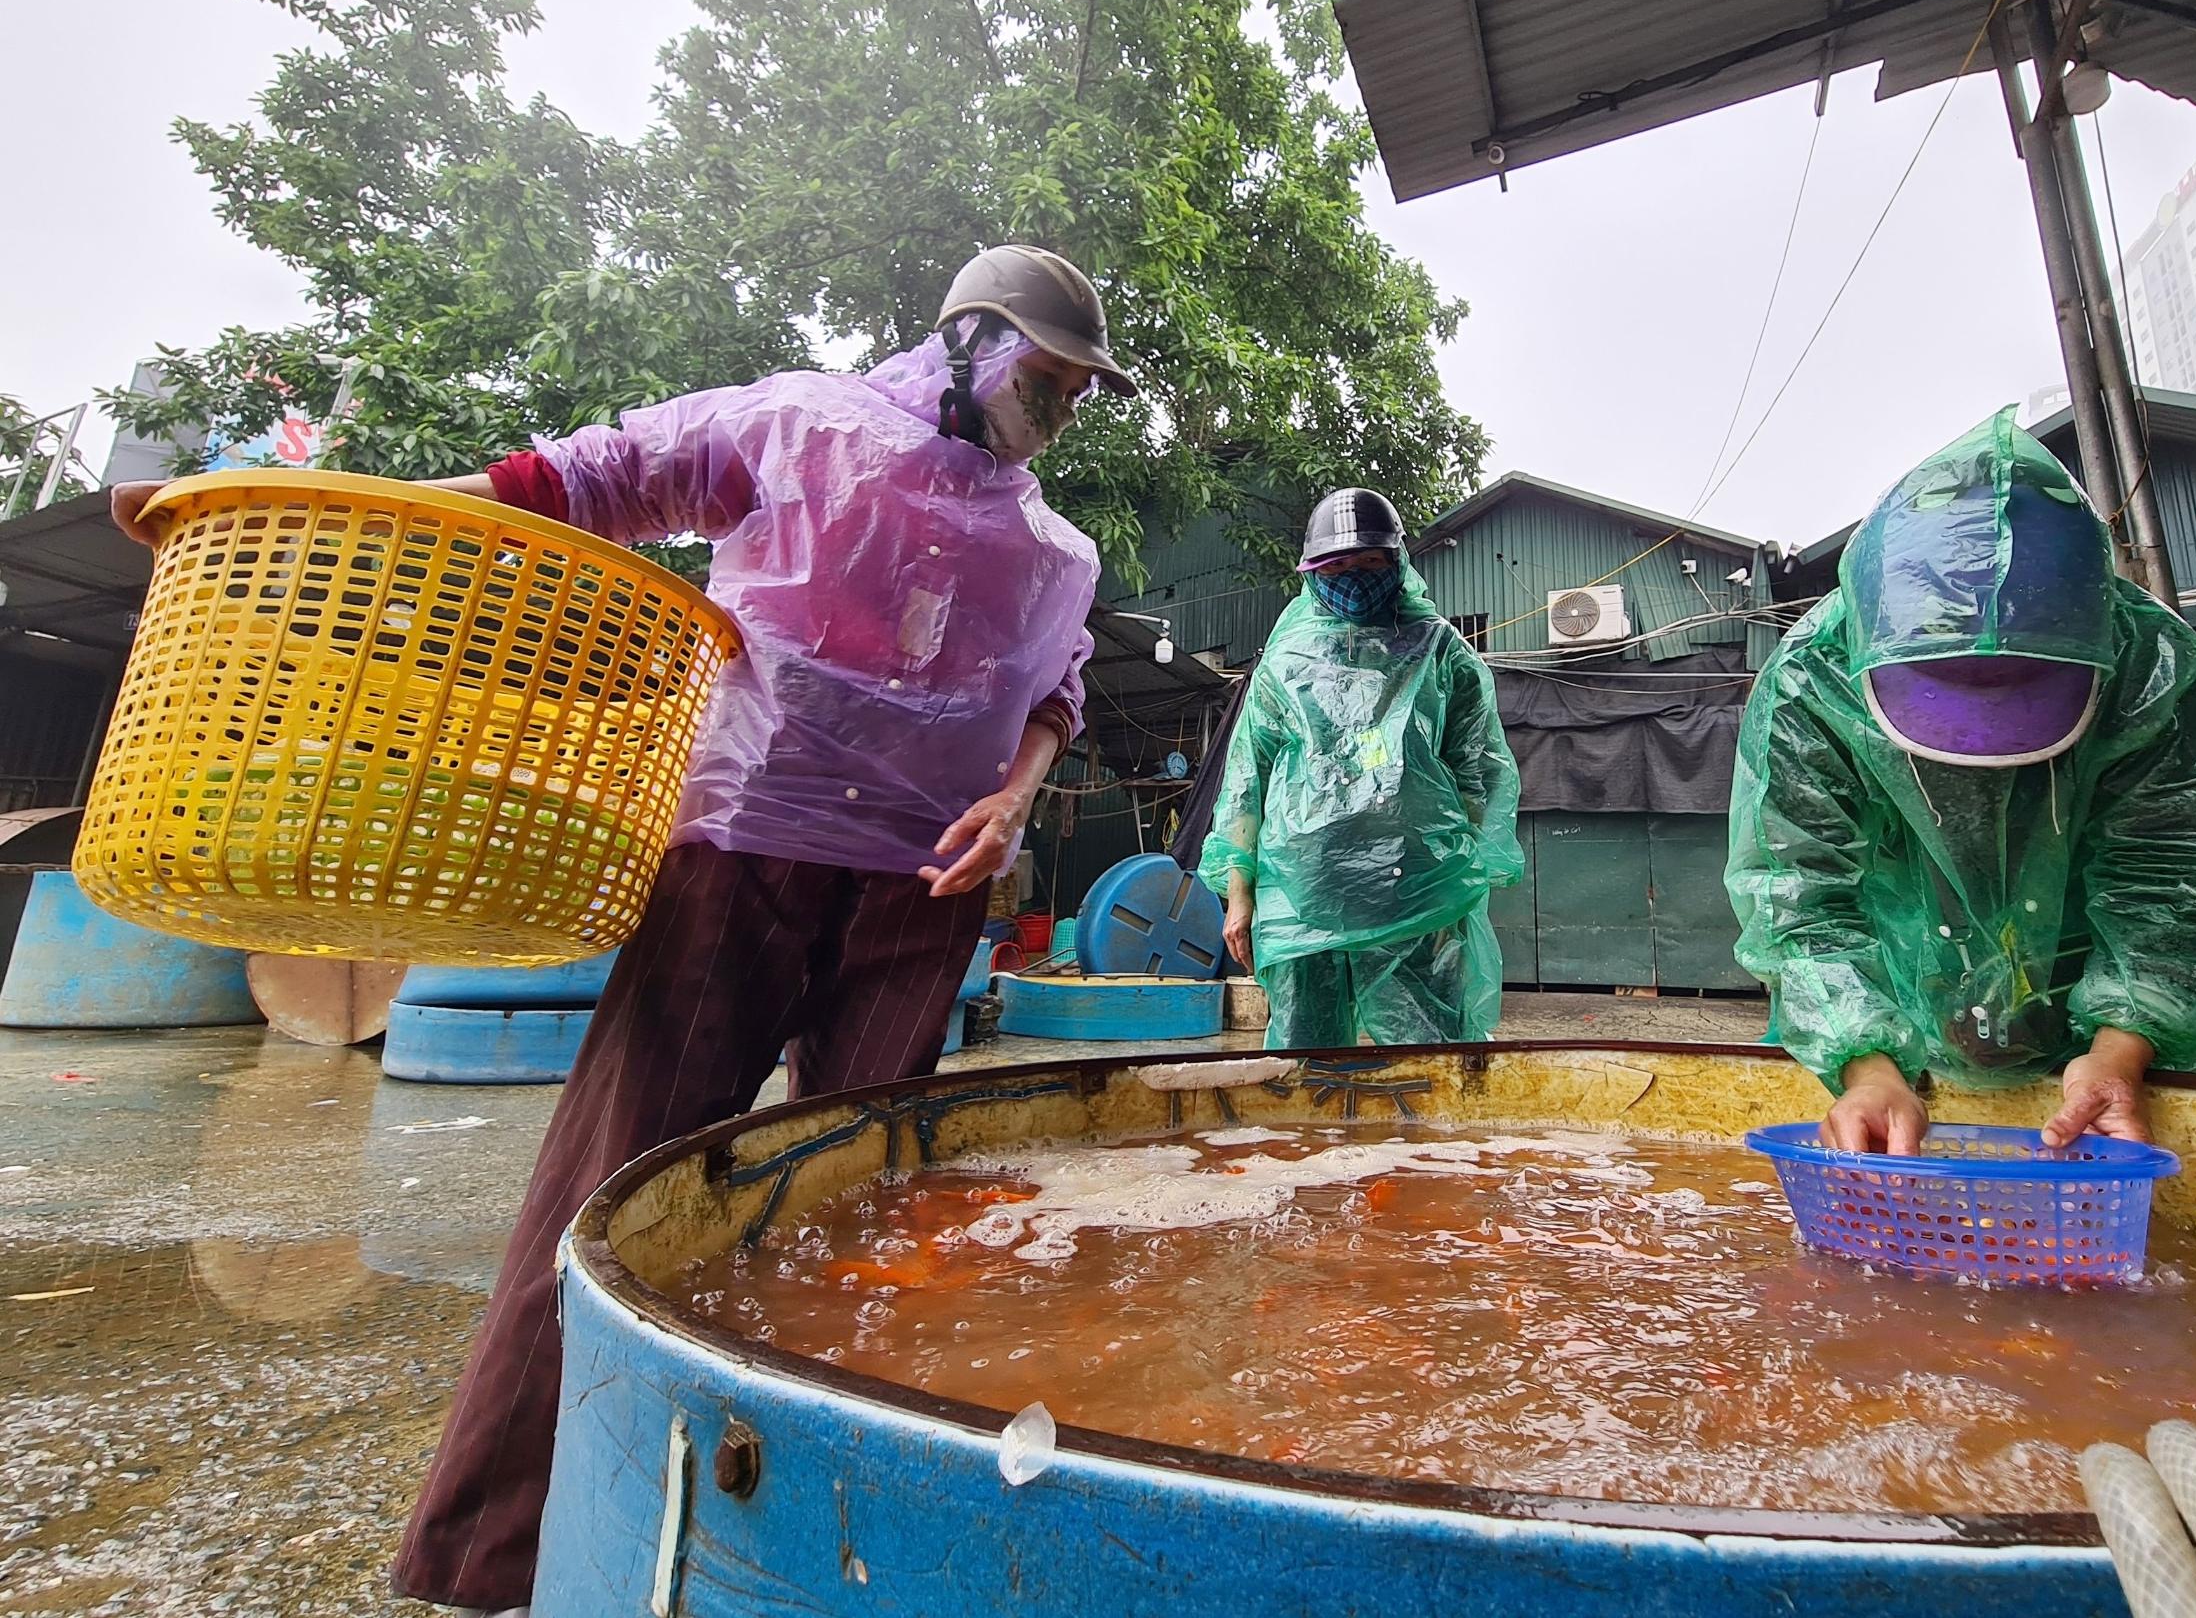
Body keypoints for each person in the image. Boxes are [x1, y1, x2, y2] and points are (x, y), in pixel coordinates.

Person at [114, 243, 1134, 1617]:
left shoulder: (1053, 548)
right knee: (611, 1183)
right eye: (1050, 377)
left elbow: (1059, 690)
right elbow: (593, 478)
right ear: (971, 343)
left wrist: (1014, 803)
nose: (1063, 408)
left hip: (922, 894)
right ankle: (487, 1558)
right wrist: (344, 510)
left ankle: (804, 1535)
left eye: (1078, 391)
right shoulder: (801, 423)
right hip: (740, 857)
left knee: (861, 1200)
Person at [1725, 408, 2196, 1156]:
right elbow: (1796, 894)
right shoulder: (1813, 679)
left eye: (2018, 686)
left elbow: (2182, 877)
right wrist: (1868, 1068)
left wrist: (2120, 1052)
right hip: (1898, 1031)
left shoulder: (2145, 661)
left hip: (2102, 1056)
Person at [1202, 488, 1523, 1049]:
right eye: (1336, 565)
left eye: (1370, 561)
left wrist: (1456, 886)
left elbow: (1475, 772)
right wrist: (1240, 893)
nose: (1353, 577)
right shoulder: (1285, 661)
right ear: (1312, 572)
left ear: (1396, 561)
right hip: (1303, 890)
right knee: (1306, 1060)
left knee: (1429, 1056)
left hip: (1415, 887)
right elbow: (1247, 781)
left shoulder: (1440, 650)